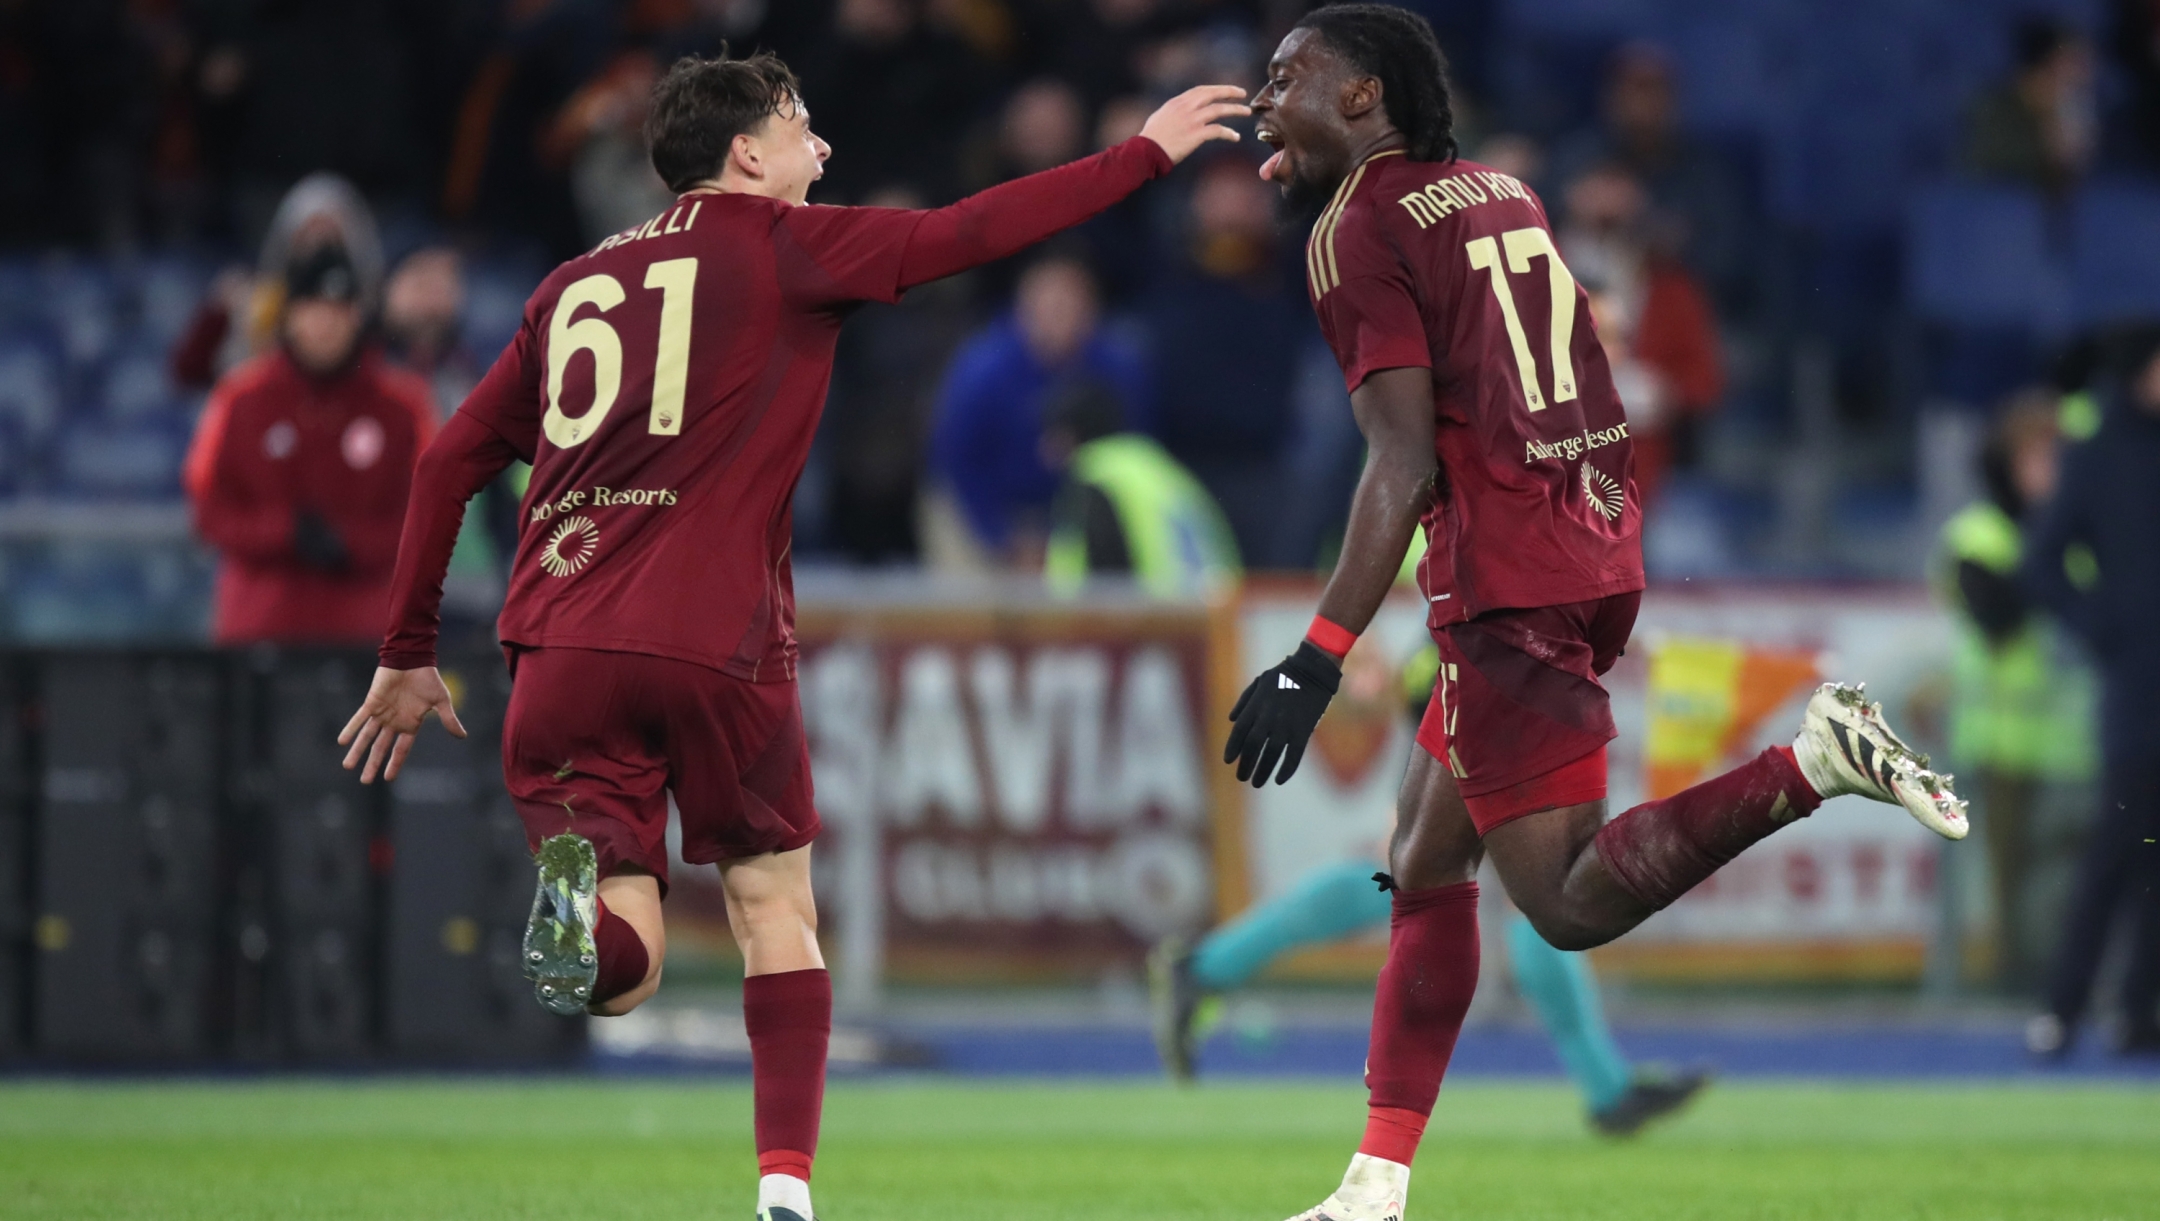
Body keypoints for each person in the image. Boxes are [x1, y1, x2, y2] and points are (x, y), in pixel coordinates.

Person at [335, 49, 1248, 1221]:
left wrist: (407, 648)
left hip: (558, 644)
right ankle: (784, 1195)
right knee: (776, 909)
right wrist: (1142, 154)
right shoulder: (783, 246)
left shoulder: (568, 288)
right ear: (746, 153)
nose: (822, 151)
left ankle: (584, 914)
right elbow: (971, 229)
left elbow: (451, 460)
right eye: (803, 128)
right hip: (715, 640)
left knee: (627, 974)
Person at [1232, 10, 1967, 1219]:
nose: (1263, 100)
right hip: (1590, 535)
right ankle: (1374, 1187)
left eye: (1284, 79)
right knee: (1423, 861)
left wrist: (1319, 654)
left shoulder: (1355, 226)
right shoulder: (1502, 191)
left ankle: (1810, 760)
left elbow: (1401, 463)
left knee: (1564, 905)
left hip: (1509, 577)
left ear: (1363, 97)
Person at [1153, 641, 1708, 1136]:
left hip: (1476, 691)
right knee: (1516, 894)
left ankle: (1204, 969)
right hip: (1479, 698)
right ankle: (1609, 1093)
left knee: (1425, 883)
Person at [183, 242, 438, 645]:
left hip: (370, 640)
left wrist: (348, 543)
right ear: (289, 315)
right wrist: (285, 532)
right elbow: (208, 510)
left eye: (339, 310)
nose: (325, 323)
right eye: (312, 308)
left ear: (358, 316)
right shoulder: (240, 399)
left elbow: (429, 514)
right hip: (258, 633)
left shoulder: (405, 405)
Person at [2022, 334, 2160, 1059]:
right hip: (2138, 685)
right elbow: (2042, 561)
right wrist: (2103, 625)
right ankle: (2062, 1009)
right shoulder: (2099, 454)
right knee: (2117, 849)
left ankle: (2139, 1011)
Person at [1935, 390, 2096, 990]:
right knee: (2011, 892)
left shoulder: (2088, 538)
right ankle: (2013, 995)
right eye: (2037, 458)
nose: (2049, 473)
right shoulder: (1978, 535)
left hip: (2079, 748)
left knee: (2077, 885)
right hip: (2000, 748)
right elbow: (1997, 619)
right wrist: (2051, 547)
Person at [930, 254, 1150, 568]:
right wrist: (1002, 538)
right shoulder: (981, 370)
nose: (1057, 318)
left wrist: (1063, 535)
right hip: (981, 503)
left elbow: (1133, 456)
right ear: (1022, 310)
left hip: (1077, 510)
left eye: (1069, 306)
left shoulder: (1119, 371)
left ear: (1092, 310)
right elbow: (957, 461)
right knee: (969, 598)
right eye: (1046, 307)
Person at [1041, 380, 1241, 599]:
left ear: (1069, 434)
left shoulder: (1094, 477)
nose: (1044, 449)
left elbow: (1103, 575)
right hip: (1215, 613)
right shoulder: (1150, 463)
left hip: (1159, 618)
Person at [1962, 19, 2096, 197]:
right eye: (2072, 64)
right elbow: (1982, 170)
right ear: (2043, 66)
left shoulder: (2074, 112)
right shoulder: (1994, 109)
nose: (2082, 76)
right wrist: (2047, 153)